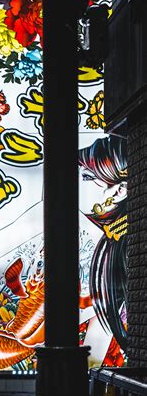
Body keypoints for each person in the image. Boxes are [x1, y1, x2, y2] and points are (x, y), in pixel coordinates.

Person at [79, 135, 127, 354]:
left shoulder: (120, 244)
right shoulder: (110, 241)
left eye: (87, 177)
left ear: (119, 191)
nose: (77, 183)